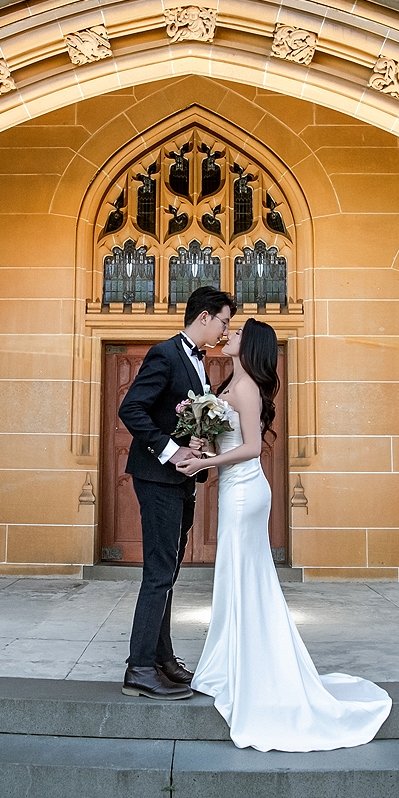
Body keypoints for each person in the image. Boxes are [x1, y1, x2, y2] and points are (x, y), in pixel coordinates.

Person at [179, 317, 393, 751]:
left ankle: (253, 669)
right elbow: (227, 439)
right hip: (235, 490)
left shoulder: (246, 388)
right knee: (235, 575)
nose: (229, 335)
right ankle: (230, 662)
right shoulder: (228, 386)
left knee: (245, 575)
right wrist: (202, 442)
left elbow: (252, 448)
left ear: (251, 345)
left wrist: (205, 463)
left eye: (238, 333)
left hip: (245, 492)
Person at [115, 286, 234, 699]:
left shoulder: (198, 362)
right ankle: (139, 668)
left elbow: (178, 418)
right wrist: (171, 450)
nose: (225, 330)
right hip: (158, 478)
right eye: (223, 322)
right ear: (204, 317)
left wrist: (195, 443)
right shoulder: (165, 354)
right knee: (158, 573)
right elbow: (131, 409)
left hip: (181, 480)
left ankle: (162, 658)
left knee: (169, 572)